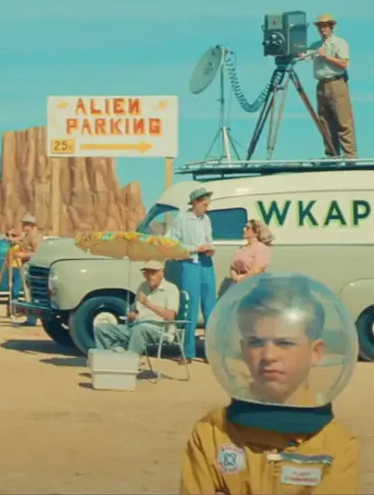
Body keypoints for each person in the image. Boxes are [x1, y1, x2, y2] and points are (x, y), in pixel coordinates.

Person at [180, 274, 360, 494]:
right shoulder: (213, 434)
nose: (268, 355)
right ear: (243, 349)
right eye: (256, 342)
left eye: (285, 343)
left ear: (315, 352)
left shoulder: (336, 446)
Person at [298, 14, 355, 159]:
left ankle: (350, 157)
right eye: (320, 27)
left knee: (343, 121)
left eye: (325, 26)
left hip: (337, 83)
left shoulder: (340, 43)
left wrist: (326, 56)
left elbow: (344, 63)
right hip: (321, 85)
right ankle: (331, 155)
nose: (322, 29)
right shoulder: (316, 45)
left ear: (331, 27)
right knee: (325, 121)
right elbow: (303, 56)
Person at [169, 187, 216, 363]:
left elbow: (209, 239)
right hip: (190, 263)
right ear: (195, 203)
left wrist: (210, 248)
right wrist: (196, 248)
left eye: (208, 205)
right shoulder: (181, 219)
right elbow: (173, 245)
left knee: (210, 306)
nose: (207, 208)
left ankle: (211, 352)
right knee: (190, 307)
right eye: (204, 205)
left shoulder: (206, 219)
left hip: (206, 263)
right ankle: (187, 352)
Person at [94, 260, 180, 354]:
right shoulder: (143, 286)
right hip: (136, 325)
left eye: (153, 273)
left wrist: (147, 303)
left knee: (139, 330)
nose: (149, 276)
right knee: (101, 329)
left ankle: (130, 359)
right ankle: (110, 356)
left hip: (158, 329)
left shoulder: (171, 289)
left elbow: (170, 316)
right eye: (146, 273)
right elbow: (135, 308)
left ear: (162, 273)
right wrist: (132, 313)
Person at [11, 214, 40, 326]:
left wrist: (23, 255)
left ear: (31, 225)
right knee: (27, 294)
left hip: (30, 267)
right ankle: (30, 318)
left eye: (25, 224)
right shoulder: (27, 236)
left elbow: (37, 253)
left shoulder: (35, 236)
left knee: (30, 293)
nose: (23, 227)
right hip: (25, 266)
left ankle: (32, 319)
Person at [230, 219, 274, 284]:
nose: (244, 230)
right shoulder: (242, 248)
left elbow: (257, 270)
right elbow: (233, 267)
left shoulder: (262, 248)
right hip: (239, 284)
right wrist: (236, 277)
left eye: (247, 228)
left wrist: (243, 278)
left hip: (254, 284)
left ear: (256, 233)